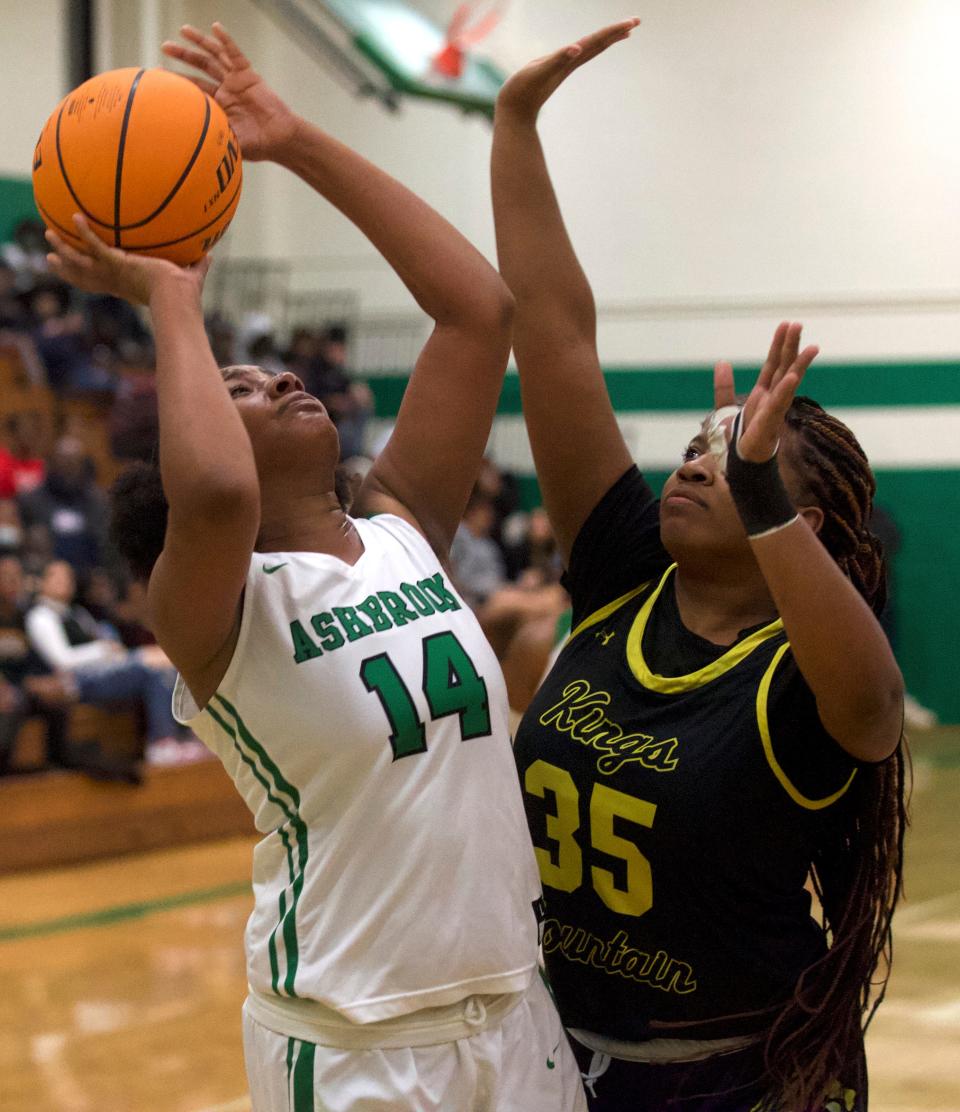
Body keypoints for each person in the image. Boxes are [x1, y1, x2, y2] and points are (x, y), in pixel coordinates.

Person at [46, 20, 584, 1112]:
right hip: (355, 1046)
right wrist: (171, 304)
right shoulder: (215, 608)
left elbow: (478, 310)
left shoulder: (399, 528)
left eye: (277, 372)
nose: (281, 382)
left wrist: (295, 142)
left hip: (515, 1012)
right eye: (240, 388)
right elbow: (213, 495)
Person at [492, 21, 907, 1112]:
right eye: (696, 441)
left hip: (743, 1075)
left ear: (801, 517)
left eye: (739, 458)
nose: (695, 460)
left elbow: (876, 708)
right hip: (563, 1060)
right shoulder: (627, 572)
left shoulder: (805, 680)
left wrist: (759, 479)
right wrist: (516, 130)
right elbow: (553, 336)